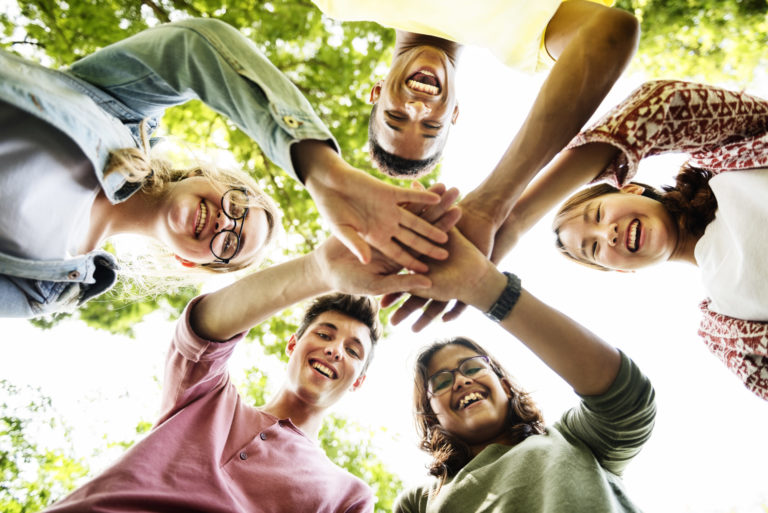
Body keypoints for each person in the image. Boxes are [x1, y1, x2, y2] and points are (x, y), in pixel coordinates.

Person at [0, 17, 450, 318]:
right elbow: (195, 47)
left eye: (229, 245)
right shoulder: (120, 112)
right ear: (205, 175)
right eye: (237, 205)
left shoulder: (55, 288)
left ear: (189, 262)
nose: (223, 224)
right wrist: (322, 171)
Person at [40, 221, 456, 512]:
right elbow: (204, 330)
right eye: (325, 334)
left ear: (359, 381)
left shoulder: (347, 496)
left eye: (352, 350)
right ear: (293, 345)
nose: (334, 350)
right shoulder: (205, 398)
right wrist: (318, 270)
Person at [314, 0, 640, 320]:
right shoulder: (524, 42)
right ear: (455, 111)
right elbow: (613, 32)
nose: (417, 107)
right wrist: (492, 205)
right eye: (431, 126)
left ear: (377, 91)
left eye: (395, 117)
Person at [388, 226, 656, 512]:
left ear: (505, 386)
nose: (461, 381)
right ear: (433, 418)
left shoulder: (577, 440)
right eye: (441, 382)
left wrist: (488, 287)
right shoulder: (420, 501)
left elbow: (626, 398)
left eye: (472, 367)